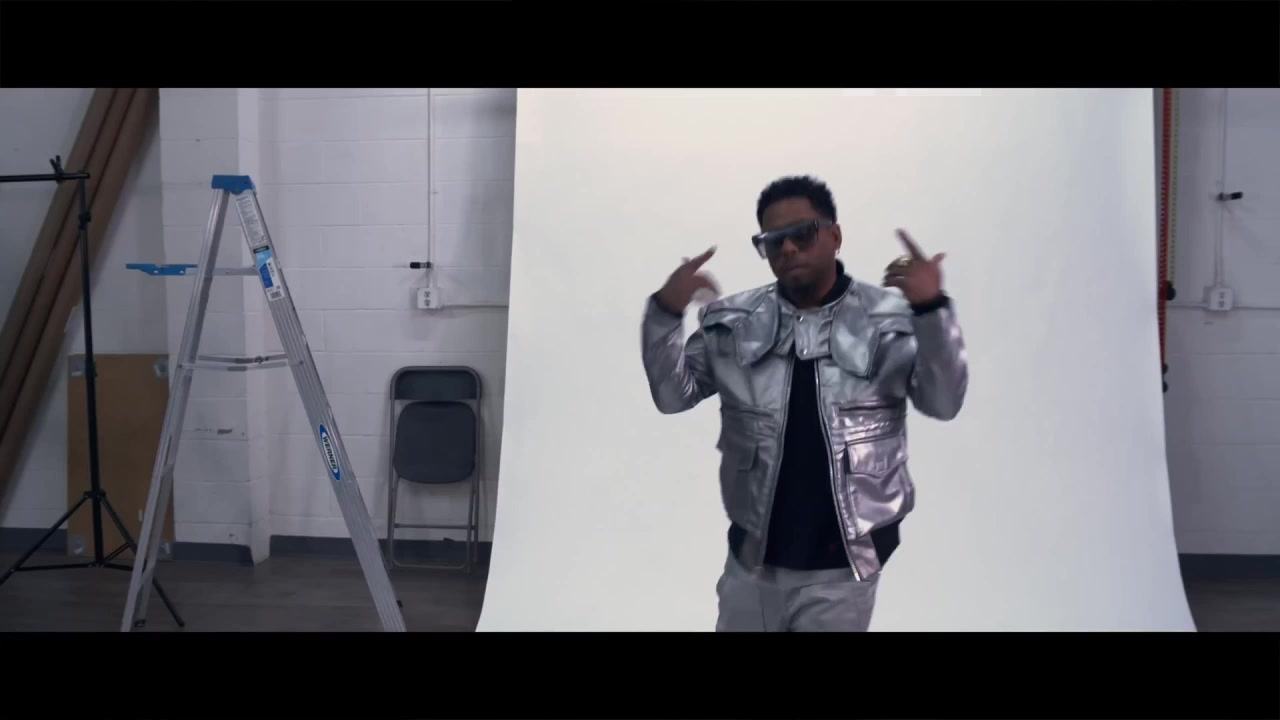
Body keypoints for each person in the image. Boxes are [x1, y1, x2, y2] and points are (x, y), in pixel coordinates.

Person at [640, 175, 968, 632]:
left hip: (844, 569)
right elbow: (672, 395)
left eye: (802, 234)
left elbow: (944, 402)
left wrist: (932, 308)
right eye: (773, 241)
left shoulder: (891, 320)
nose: (789, 249)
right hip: (751, 562)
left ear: (834, 236)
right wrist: (665, 311)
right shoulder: (732, 322)